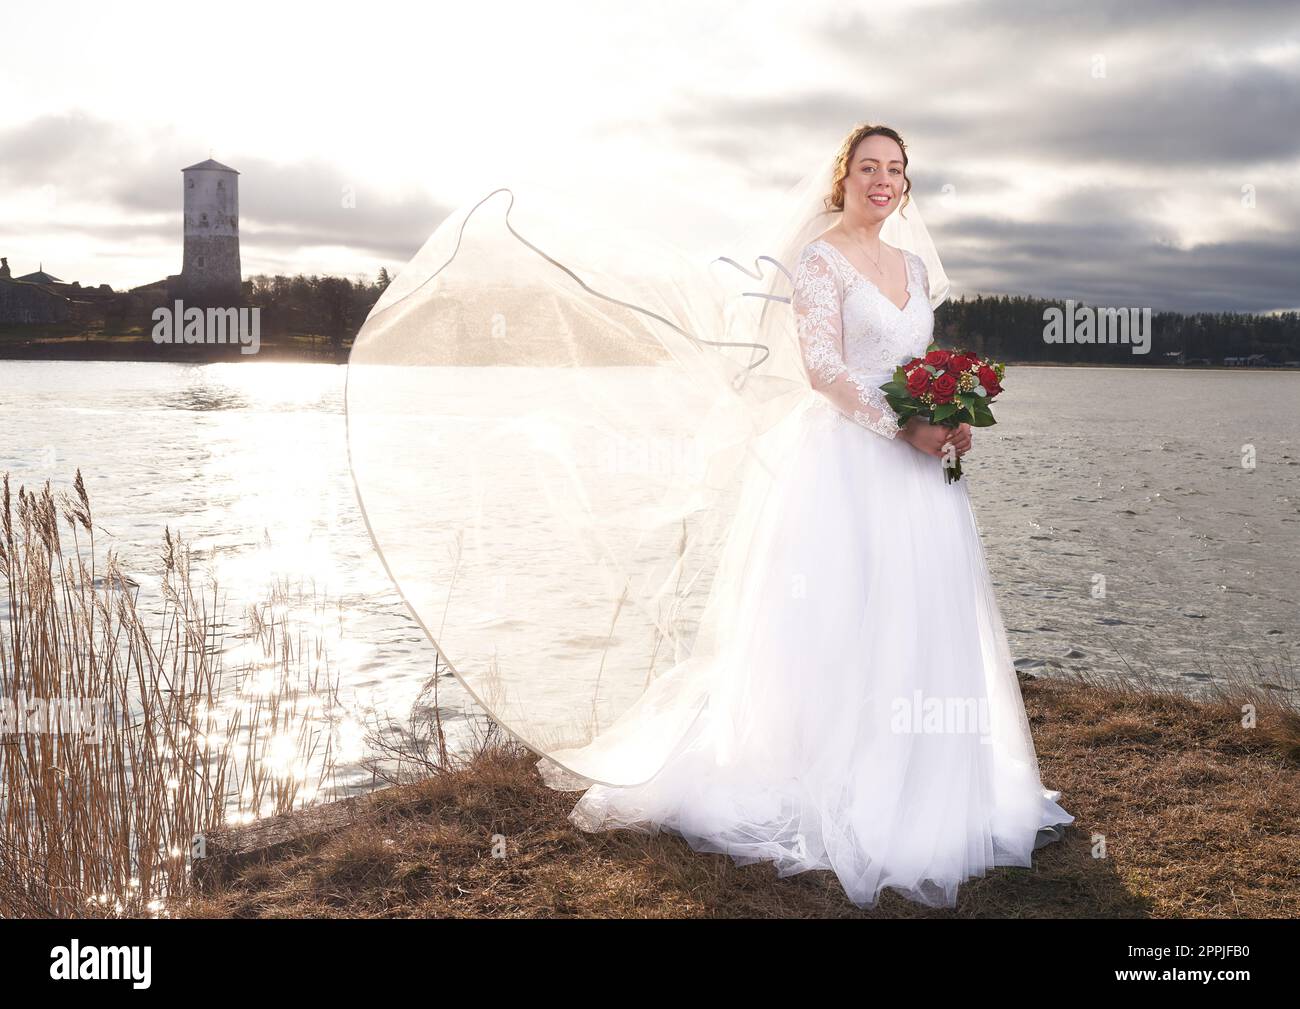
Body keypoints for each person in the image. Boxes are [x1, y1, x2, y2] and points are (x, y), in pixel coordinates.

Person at [345, 121, 1074, 911]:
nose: (883, 181)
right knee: (838, 614)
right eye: (869, 167)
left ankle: (924, 778)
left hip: (920, 474)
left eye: (896, 169)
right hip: (848, 461)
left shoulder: (910, 265)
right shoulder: (821, 258)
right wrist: (906, 424)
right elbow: (825, 370)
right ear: (843, 177)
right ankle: (832, 774)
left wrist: (951, 416)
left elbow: (917, 365)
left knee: (916, 613)